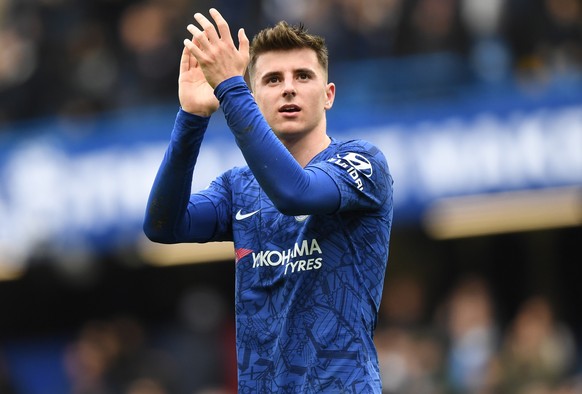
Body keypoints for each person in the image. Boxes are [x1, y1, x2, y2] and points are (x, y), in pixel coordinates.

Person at [143, 8, 394, 393]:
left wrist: (229, 87)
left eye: (303, 76)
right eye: (273, 79)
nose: (288, 88)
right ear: (255, 97)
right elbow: (162, 226)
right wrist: (191, 117)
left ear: (328, 95)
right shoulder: (236, 188)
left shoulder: (361, 162)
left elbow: (297, 194)